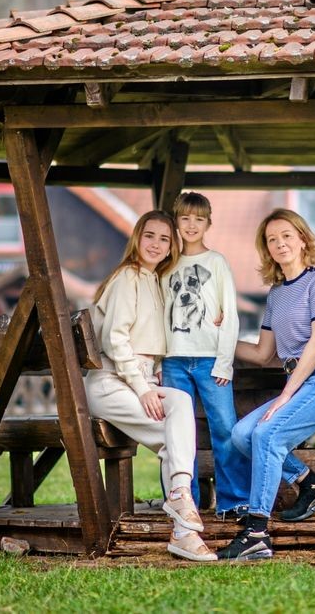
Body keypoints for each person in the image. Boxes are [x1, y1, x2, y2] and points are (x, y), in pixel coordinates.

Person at [217, 209, 315, 561]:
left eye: (286, 235)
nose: (280, 243)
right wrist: (218, 338)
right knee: (241, 435)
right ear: (266, 249)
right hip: (303, 382)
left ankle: (256, 533)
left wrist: (286, 394)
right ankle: (312, 485)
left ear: (301, 239)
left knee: (266, 435)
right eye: (271, 239)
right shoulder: (276, 295)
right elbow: (263, 353)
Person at [86, 210, 216, 562]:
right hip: (112, 383)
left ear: (173, 245)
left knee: (179, 403)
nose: (156, 244)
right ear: (136, 238)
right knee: (170, 435)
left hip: (137, 378)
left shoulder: (155, 281)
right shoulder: (128, 276)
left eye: (164, 238)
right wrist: (143, 387)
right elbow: (115, 341)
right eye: (149, 235)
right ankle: (185, 531)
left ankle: (178, 498)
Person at [160, 192, 249, 519]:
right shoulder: (166, 266)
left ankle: (232, 501)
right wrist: (156, 362)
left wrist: (225, 361)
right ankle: (184, 504)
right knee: (177, 434)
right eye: (185, 218)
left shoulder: (217, 263)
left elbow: (231, 315)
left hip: (211, 360)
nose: (192, 224)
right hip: (173, 361)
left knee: (225, 429)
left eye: (199, 218)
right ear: (176, 222)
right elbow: (157, 316)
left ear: (208, 223)